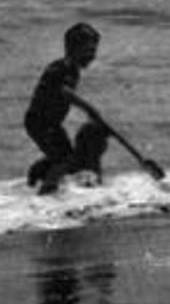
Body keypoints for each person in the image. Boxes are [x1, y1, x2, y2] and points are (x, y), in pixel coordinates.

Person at [24, 23, 112, 195]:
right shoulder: (60, 68)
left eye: (94, 51)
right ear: (72, 48)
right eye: (89, 51)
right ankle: (45, 193)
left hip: (52, 124)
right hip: (40, 123)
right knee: (64, 160)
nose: (93, 56)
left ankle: (41, 170)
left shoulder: (72, 70)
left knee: (69, 160)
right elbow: (64, 92)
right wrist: (89, 108)